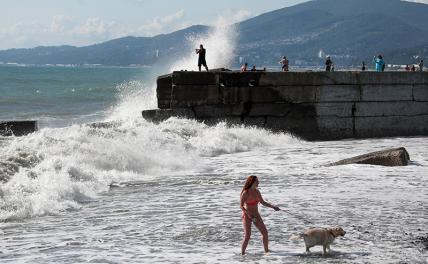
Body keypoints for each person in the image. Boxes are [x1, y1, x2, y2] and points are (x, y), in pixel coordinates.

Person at [240, 175, 280, 255]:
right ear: (252, 182)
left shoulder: (257, 191)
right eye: (257, 181)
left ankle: (266, 252)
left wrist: (273, 207)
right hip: (247, 215)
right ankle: (242, 254)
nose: (258, 182)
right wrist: (249, 215)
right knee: (247, 236)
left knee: (265, 233)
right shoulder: (245, 193)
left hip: (256, 215)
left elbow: (262, 202)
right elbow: (241, 206)